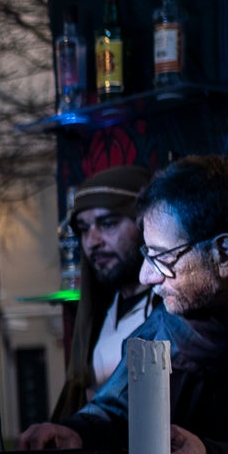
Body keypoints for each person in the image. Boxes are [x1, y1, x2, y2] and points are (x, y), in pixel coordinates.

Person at [21, 156, 228, 454]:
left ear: (224, 253)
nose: (147, 276)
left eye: (161, 257)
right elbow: (118, 407)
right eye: (146, 254)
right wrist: (77, 433)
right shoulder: (178, 320)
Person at [50, 165, 153, 419]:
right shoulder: (100, 313)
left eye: (107, 224)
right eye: (84, 229)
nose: (92, 241)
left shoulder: (172, 310)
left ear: (145, 224)